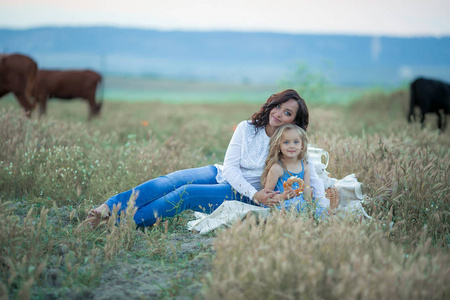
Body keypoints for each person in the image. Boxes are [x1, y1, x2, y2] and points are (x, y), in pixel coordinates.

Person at [85, 89, 327, 228]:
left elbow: (312, 177)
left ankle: (116, 225)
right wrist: (254, 193)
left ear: (294, 122)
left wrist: (324, 210)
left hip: (247, 193)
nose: (278, 114)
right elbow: (230, 168)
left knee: (185, 195)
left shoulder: (291, 144)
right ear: (271, 104)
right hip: (224, 174)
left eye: (287, 113)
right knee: (169, 181)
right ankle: (109, 207)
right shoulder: (246, 128)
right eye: (278, 106)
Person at [260, 124, 320, 214]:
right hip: (282, 206)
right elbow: (267, 196)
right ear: (279, 146)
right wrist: (283, 196)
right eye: (286, 142)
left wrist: (309, 207)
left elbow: (307, 191)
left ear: (302, 145)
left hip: (300, 205)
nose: (291, 146)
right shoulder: (277, 168)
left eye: (296, 142)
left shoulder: (305, 166)